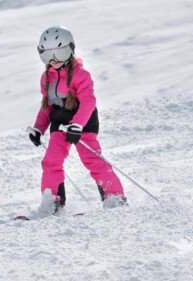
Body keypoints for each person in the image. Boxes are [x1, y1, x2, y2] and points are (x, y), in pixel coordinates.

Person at [28, 26, 126, 214]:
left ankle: (114, 197)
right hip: (59, 122)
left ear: (71, 50)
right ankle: (52, 202)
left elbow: (89, 101)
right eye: (47, 55)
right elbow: (47, 106)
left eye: (59, 53)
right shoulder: (46, 78)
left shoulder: (81, 75)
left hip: (83, 122)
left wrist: (77, 125)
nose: (54, 60)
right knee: (51, 161)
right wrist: (38, 129)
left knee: (92, 159)